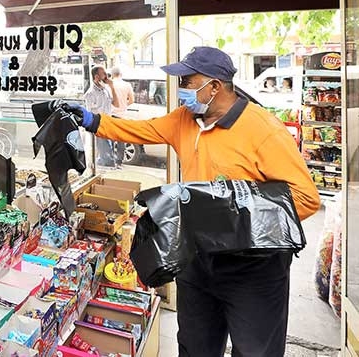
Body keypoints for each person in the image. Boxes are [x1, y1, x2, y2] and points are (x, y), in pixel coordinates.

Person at [63, 46, 320, 356]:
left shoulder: (263, 129)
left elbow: (305, 198)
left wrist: (230, 218)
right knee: (195, 346)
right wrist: (91, 120)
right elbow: (141, 130)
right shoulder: (185, 119)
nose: (181, 88)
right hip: (198, 259)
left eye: (187, 81)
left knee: (256, 351)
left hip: (253, 268)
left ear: (214, 86)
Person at [83, 65, 119, 167]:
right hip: (100, 126)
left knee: (108, 154)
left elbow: (116, 104)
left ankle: (102, 165)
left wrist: (112, 87)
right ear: (96, 77)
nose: (106, 76)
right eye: (104, 74)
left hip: (108, 124)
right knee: (107, 157)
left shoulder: (105, 90)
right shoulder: (90, 93)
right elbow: (89, 113)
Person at [110, 66, 134, 168]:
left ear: (112, 75)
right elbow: (132, 100)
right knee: (121, 140)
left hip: (111, 115)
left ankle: (111, 161)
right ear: (121, 74)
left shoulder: (110, 85)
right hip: (122, 115)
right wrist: (124, 105)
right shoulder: (127, 85)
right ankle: (119, 162)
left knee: (110, 139)